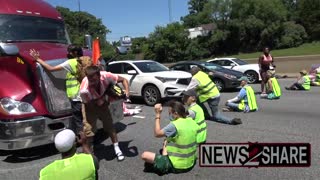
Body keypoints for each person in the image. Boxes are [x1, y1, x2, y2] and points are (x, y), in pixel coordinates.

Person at [29, 45, 85, 134]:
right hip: (86, 95)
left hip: (76, 96)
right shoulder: (86, 60)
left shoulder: (70, 62)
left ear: (74, 53)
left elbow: (51, 69)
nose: (67, 53)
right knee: (86, 119)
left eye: (69, 51)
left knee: (78, 121)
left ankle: (83, 141)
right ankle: (90, 139)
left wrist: (38, 59)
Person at [80, 65, 129, 161]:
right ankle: (89, 153)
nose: (92, 83)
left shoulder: (107, 76)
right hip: (90, 104)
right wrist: (103, 100)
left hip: (102, 102)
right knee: (89, 129)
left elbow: (124, 80)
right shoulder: (84, 90)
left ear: (99, 75)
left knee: (109, 125)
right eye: (90, 80)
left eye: (94, 80)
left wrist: (126, 93)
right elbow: (89, 105)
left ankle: (117, 148)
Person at [141, 101, 198, 174]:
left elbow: (157, 134)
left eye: (170, 113)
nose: (169, 115)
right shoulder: (191, 121)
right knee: (167, 140)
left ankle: (165, 166)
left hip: (178, 166)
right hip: (190, 162)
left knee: (145, 155)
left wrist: (158, 114)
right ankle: (165, 157)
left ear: (176, 113)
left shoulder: (175, 125)